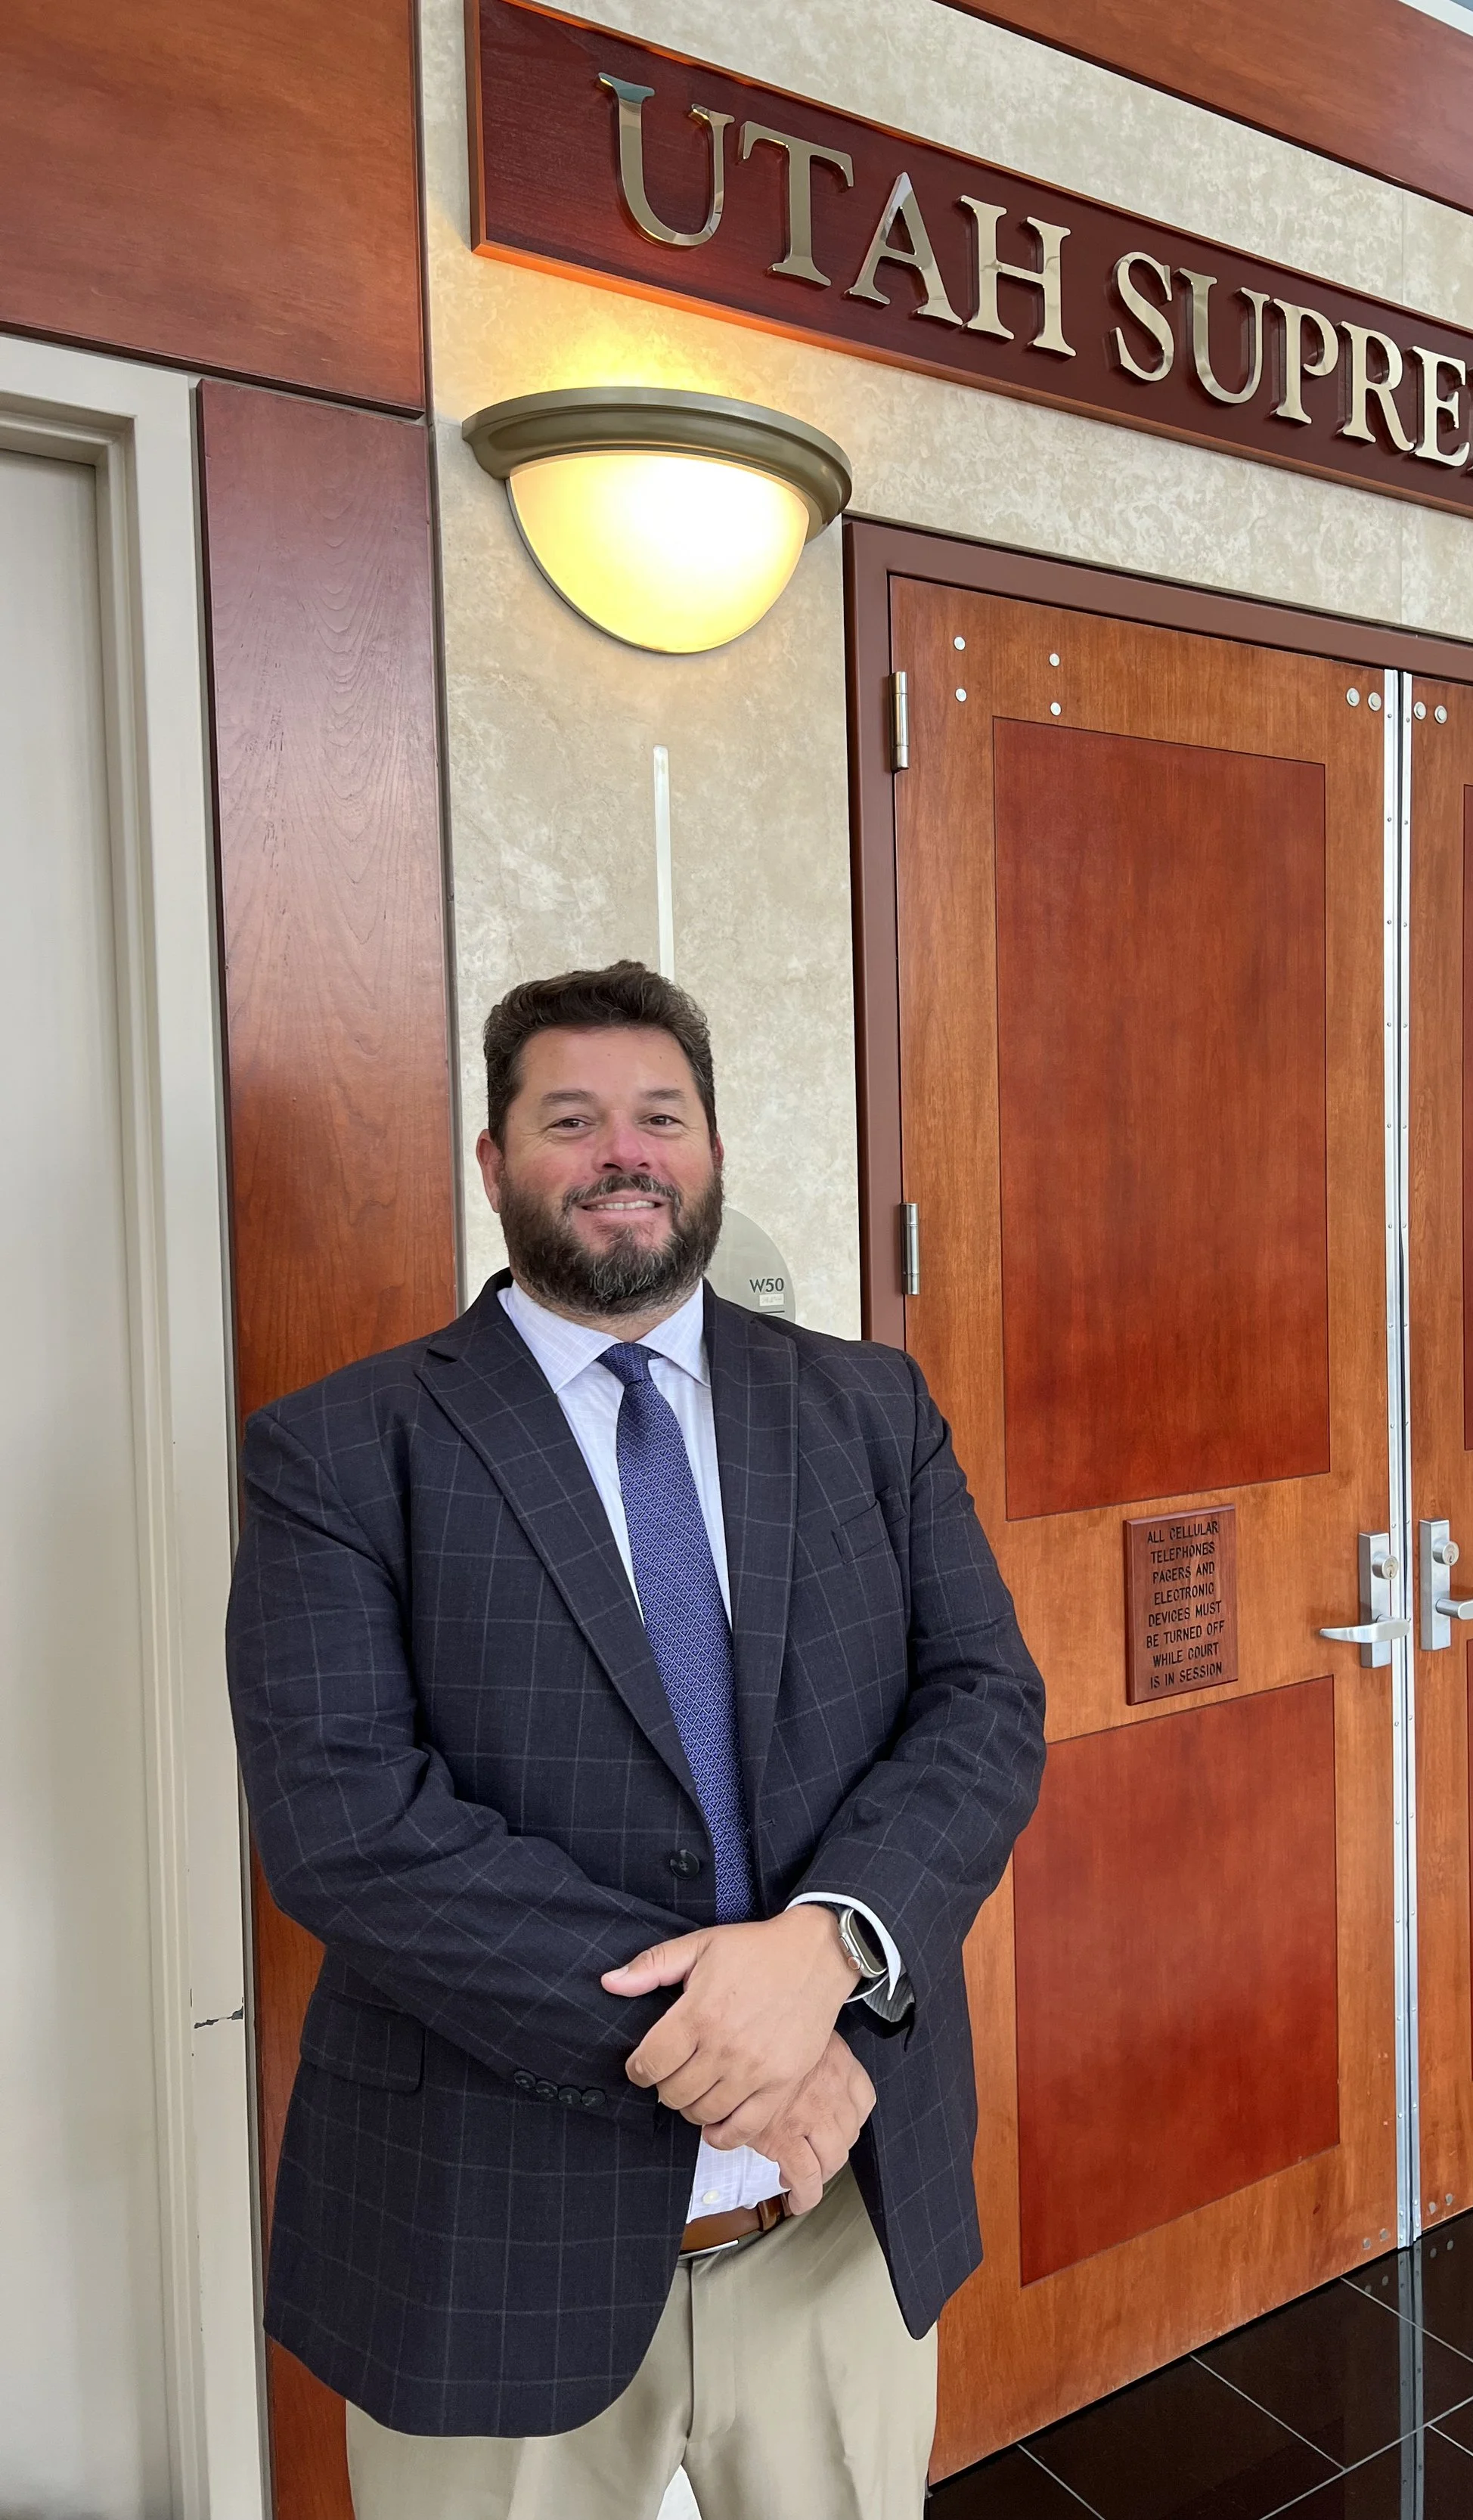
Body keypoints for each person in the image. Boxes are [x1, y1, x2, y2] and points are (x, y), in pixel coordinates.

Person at [226, 959, 1046, 2519]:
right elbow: (348, 1824)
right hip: (488, 2238)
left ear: (714, 1152)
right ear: (492, 1164)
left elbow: (983, 1702)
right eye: (570, 1119)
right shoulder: (341, 1450)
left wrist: (824, 1952)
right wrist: (739, 2059)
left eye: (660, 1116)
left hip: (832, 2223)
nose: (624, 1153)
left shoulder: (870, 1407)